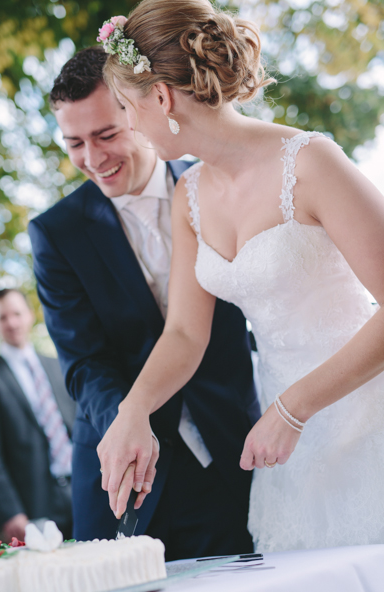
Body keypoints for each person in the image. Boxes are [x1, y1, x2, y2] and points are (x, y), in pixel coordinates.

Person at [97, 0, 384, 553]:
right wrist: (133, 410)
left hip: (360, 415)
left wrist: (294, 408)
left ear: (161, 97)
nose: (130, 125)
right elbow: (184, 334)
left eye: (128, 108)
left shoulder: (311, 163)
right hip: (286, 450)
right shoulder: (189, 198)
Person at [28, 47, 260, 561]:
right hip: (123, 483)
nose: (93, 158)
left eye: (106, 134)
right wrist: (127, 422)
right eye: (74, 143)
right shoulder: (55, 233)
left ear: (141, 110)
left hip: (234, 454)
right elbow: (83, 362)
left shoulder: (217, 187)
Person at [0, 289, 76, 541]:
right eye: (2, 317)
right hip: (36, 503)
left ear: (30, 315)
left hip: (84, 487)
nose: (12, 322)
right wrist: (10, 511)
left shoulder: (60, 365)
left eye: (17, 314)